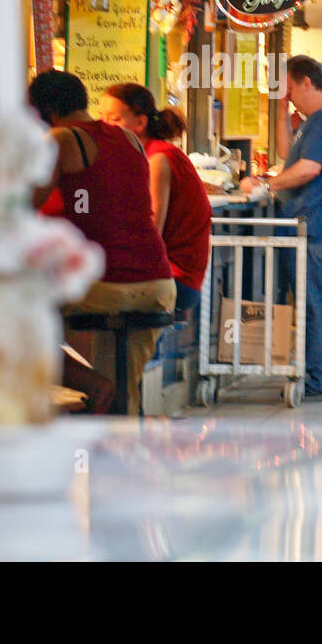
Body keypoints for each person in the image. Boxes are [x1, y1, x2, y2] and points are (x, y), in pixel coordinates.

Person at [29, 71, 176, 415]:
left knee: (8, 319)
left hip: (107, 283)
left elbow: (19, 208)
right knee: (124, 394)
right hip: (157, 284)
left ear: (47, 112)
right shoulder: (131, 140)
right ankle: (113, 428)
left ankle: (93, 386)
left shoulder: (61, 140)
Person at [240, 56, 322, 400]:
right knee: (315, 300)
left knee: (317, 301)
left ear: (306, 82)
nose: (287, 95)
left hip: (316, 221)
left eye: (289, 87)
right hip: (313, 221)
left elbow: (307, 169)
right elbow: (291, 157)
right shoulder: (315, 120)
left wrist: (267, 186)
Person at [97, 83, 211, 316]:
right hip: (158, 275)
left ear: (140, 123)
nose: (104, 126)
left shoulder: (158, 159)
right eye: (101, 117)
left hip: (173, 280)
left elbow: (150, 234)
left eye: (114, 119)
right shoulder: (137, 156)